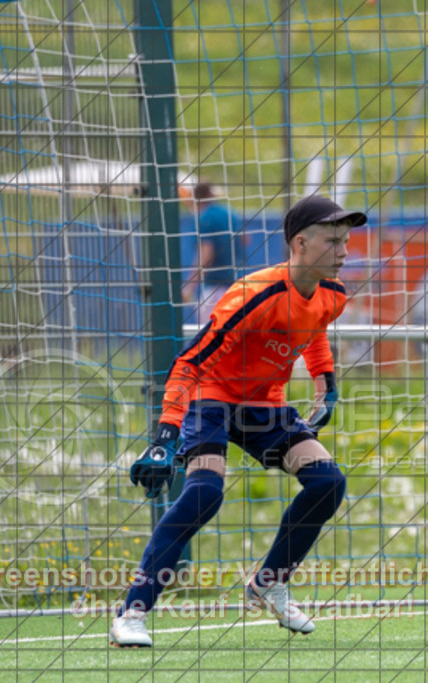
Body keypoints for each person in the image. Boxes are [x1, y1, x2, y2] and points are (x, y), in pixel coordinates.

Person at [110, 195, 368, 648]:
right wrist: (165, 434)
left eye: (346, 239)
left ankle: (269, 582)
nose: (344, 249)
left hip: (264, 405)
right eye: (333, 240)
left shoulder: (333, 294)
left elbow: (313, 333)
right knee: (204, 495)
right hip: (213, 397)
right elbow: (190, 362)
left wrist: (326, 386)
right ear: (301, 244)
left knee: (328, 482)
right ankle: (132, 610)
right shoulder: (253, 294)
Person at [182, 183, 245, 321]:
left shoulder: (204, 218)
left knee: (209, 338)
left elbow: (205, 256)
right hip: (238, 285)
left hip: (216, 289)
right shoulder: (230, 213)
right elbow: (245, 239)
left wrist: (189, 288)